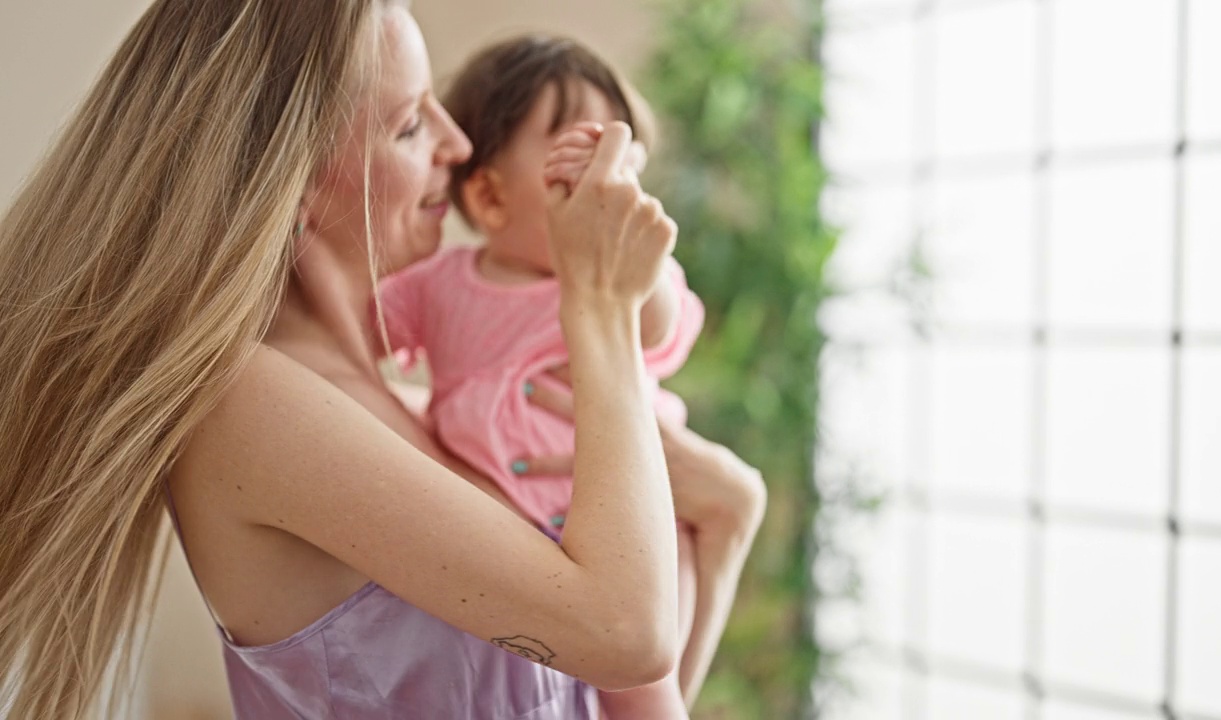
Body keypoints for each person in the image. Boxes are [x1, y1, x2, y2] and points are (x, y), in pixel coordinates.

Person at [0, 2, 766, 719]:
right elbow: (627, 635)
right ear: (289, 183)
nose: (460, 147)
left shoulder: (398, 396)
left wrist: (727, 526)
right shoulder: (251, 406)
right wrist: (599, 302)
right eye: (408, 125)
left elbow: (584, 694)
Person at [377, 35, 702, 718]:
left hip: (626, 543)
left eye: (624, 161)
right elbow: (358, 325)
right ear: (490, 197)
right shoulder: (439, 286)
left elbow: (656, 322)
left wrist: (621, 271)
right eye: (581, 159)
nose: (615, 186)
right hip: (513, 557)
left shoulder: (618, 285)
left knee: (644, 692)